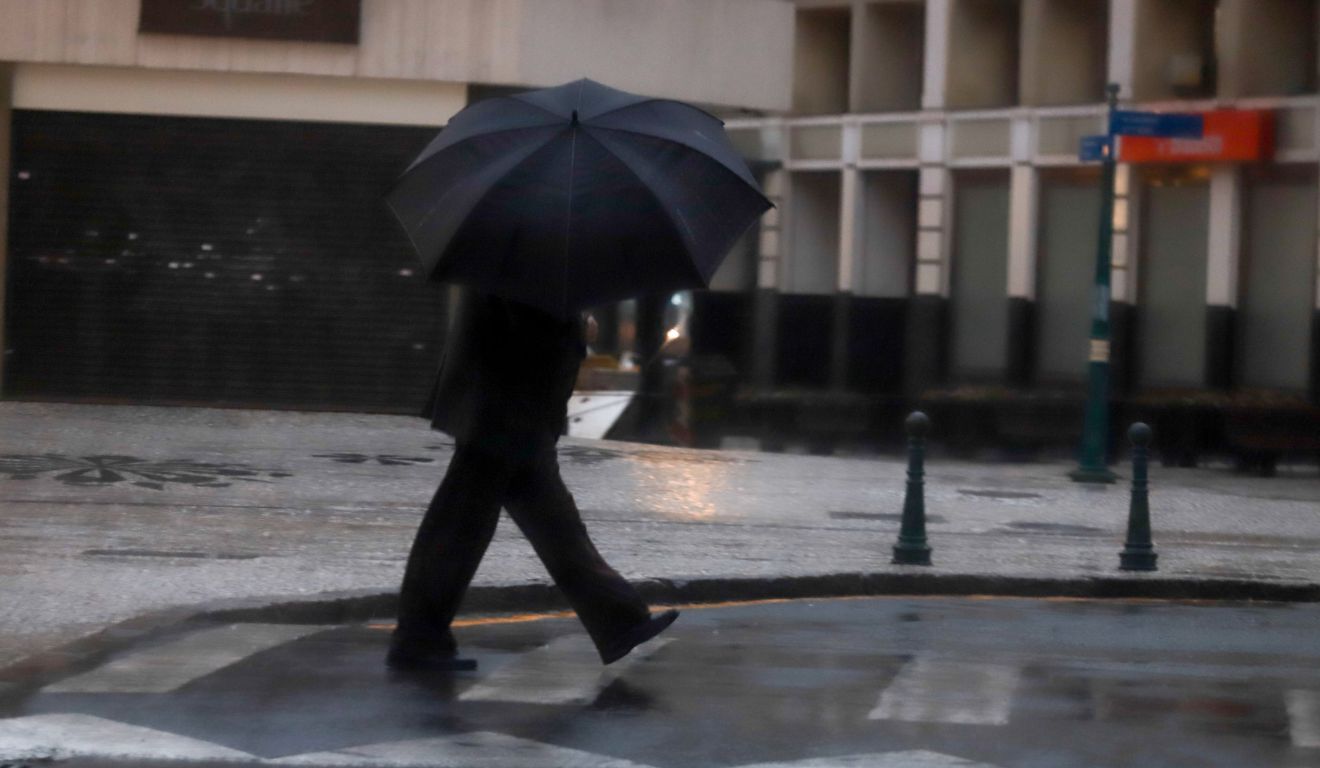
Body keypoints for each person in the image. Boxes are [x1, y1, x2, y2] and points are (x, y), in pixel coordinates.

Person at [389, 289, 678, 671]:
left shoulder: (519, 251)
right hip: (503, 407)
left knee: (549, 521)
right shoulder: (522, 260)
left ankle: (619, 619)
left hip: (508, 407)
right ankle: (417, 639)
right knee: (462, 526)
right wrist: (577, 324)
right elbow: (528, 321)